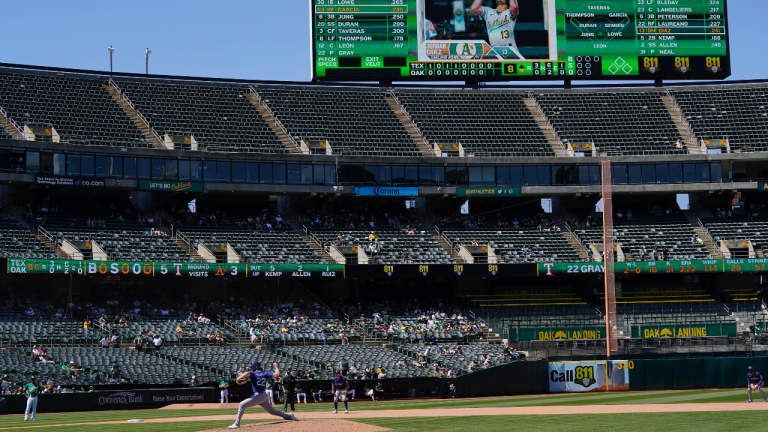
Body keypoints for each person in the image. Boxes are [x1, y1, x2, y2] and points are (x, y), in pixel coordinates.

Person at [229, 361, 296, 429]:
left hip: (258, 396)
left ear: (256, 366)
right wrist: (276, 367)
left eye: (252, 366)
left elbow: (246, 373)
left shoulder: (253, 373)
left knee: (241, 405)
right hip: (264, 395)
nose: (251, 367)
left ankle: (237, 424)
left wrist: (238, 378)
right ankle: (289, 416)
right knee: (272, 411)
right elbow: (277, 375)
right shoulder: (265, 373)